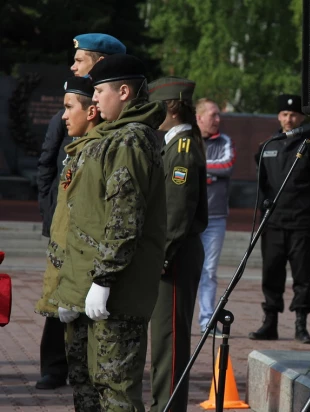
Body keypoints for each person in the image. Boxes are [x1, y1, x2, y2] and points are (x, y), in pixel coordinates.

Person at [48, 54, 167, 411]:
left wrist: (104, 279)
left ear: (125, 91)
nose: (95, 99)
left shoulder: (130, 140)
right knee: (88, 386)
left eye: (100, 91)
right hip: (92, 288)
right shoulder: (111, 137)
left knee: (116, 393)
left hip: (117, 294)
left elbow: (124, 218)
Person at [34, 32, 125, 391]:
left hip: (95, 232)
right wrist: (49, 213)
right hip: (63, 224)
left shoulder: (114, 120)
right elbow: (47, 165)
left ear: (100, 63)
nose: (73, 65)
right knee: (60, 298)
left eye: (80, 59)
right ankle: (54, 367)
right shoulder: (69, 111)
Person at [248, 94, 310, 344]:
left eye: (293, 115)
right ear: (278, 117)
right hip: (273, 224)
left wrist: (307, 209)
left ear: (302, 117)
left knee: (302, 277)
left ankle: (300, 325)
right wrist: (264, 204)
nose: (289, 119)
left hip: (301, 225)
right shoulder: (267, 145)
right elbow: (261, 183)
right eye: (284, 114)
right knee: (271, 274)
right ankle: (269, 323)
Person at [148, 77, 208, 412]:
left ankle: (167, 409)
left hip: (175, 256)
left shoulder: (182, 149)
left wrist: (162, 256)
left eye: (157, 104)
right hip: (172, 253)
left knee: (169, 342)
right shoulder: (174, 144)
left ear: (171, 107)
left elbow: (176, 212)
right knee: (163, 341)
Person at [35, 75, 102, 343]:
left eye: (69, 107)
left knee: (87, 365)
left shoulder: (95, 152)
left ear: (91, 111)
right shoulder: (77, 151)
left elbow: (91, 224)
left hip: (80, 277)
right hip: (66, 270)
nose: (63, 116)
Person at [195, 98, 236, 336]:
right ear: (199, 117)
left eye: (218, 115)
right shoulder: (188, 140)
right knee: (185, 269)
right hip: (190, 217)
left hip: (216, 218)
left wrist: (199, 167)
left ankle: (207, 321)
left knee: (209, 270)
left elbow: (228, 165)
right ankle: (180, 319)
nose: (218, 119)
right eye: (213, 115)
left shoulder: (225, 141)